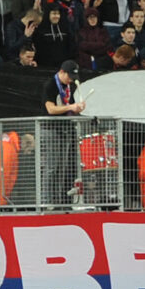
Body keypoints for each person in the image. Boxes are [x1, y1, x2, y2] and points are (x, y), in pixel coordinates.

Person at [42, 59, 85, 205]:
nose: (71, 81)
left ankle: (58, 200)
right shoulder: (50, 85)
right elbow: (51, 109)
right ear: (62, 72)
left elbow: (69, 106)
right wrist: (71, 107)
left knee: (62, 167)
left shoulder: (68, 87)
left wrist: (77, 108)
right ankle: (47, 201)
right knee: (52, 167)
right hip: (51, 129)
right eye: (69, 77)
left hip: (65, 128)